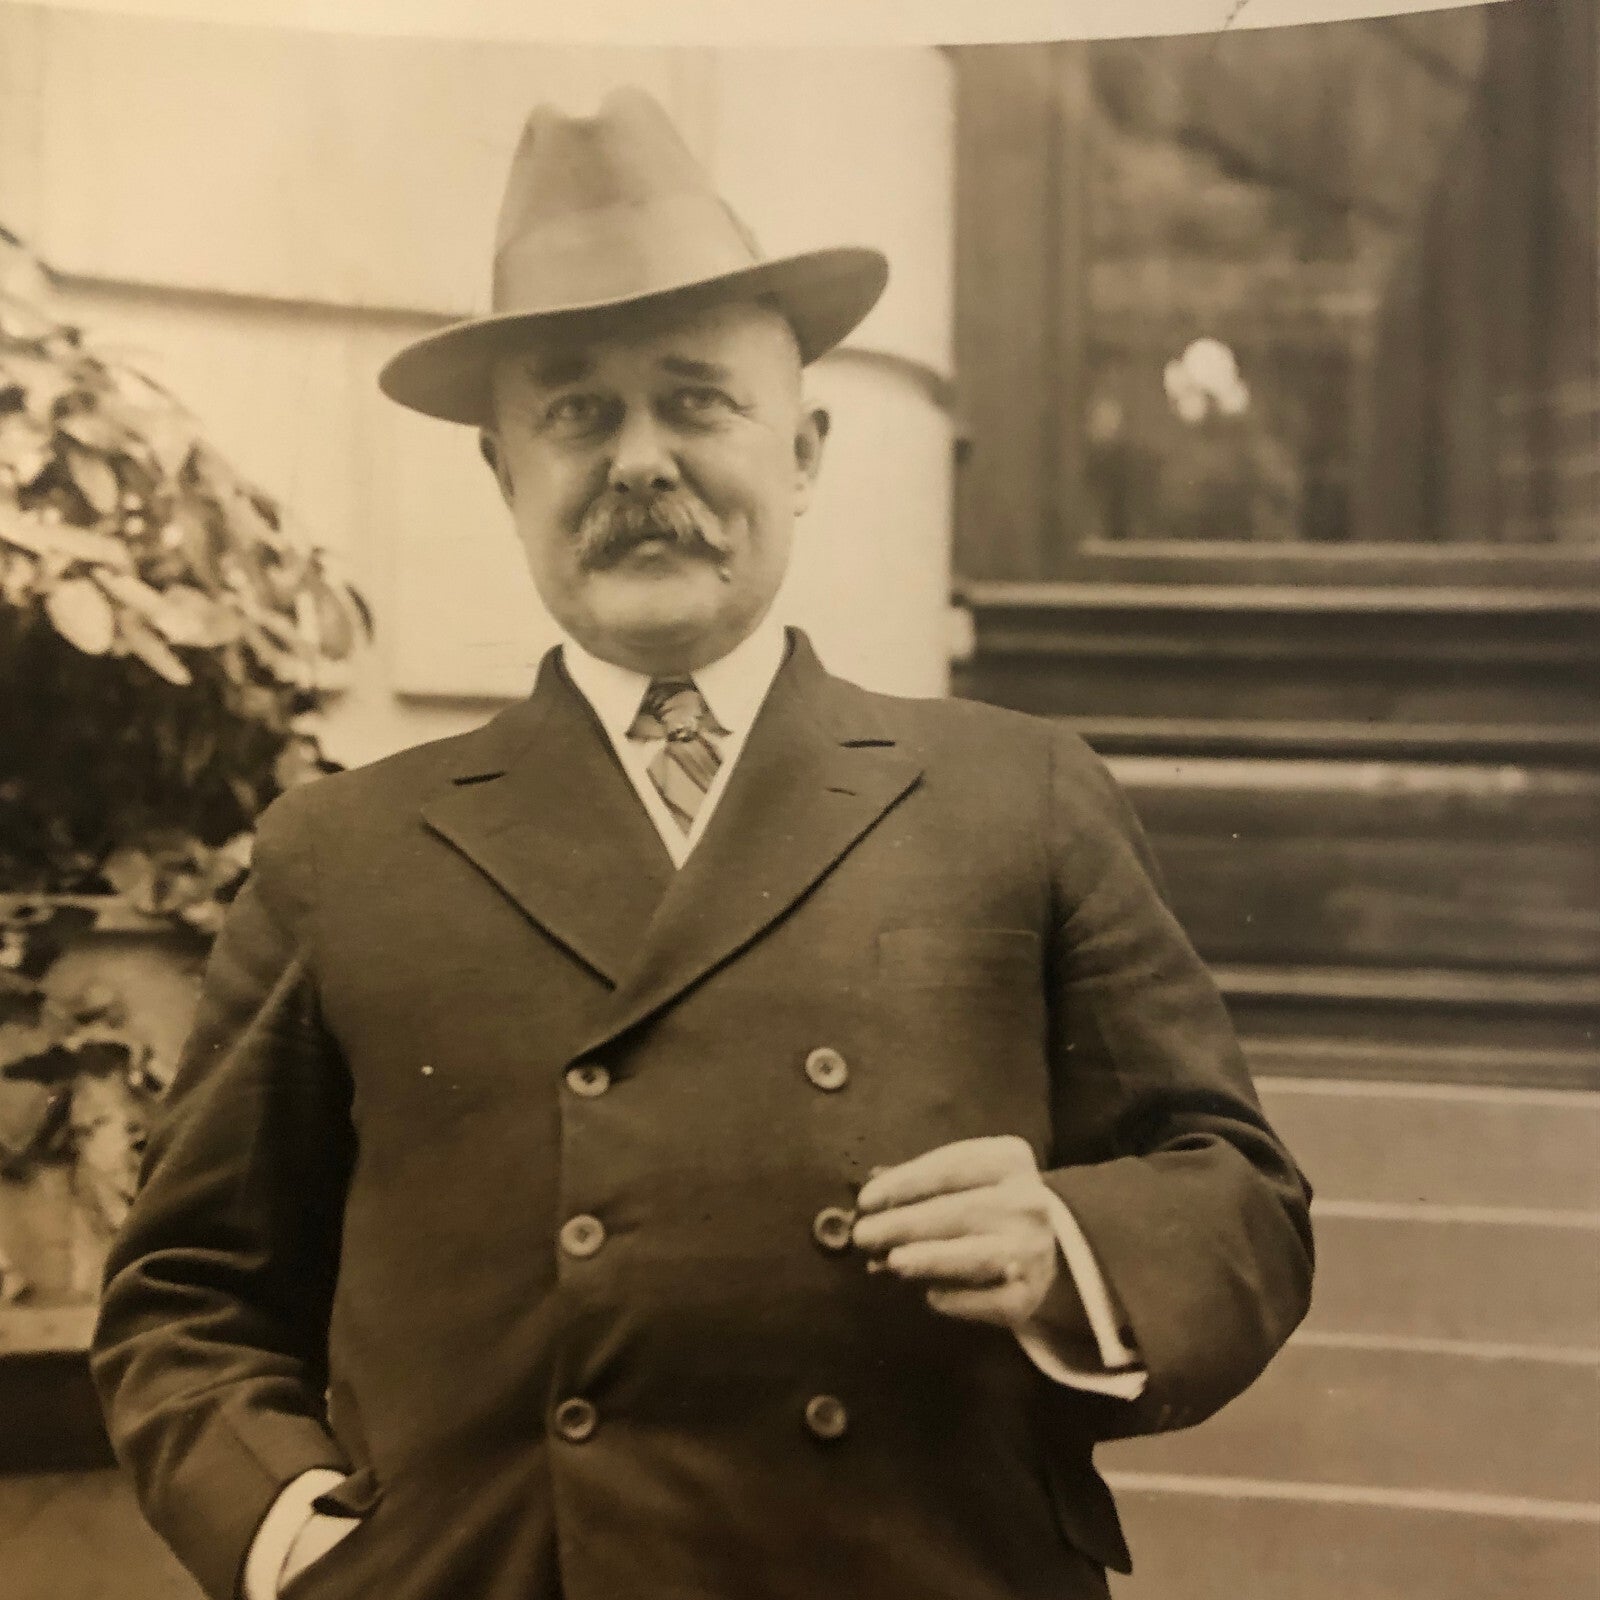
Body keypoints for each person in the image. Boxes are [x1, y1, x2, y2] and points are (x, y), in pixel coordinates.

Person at [91, 88, 1313, 1600]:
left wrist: (1073, 1244)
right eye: (578, 415)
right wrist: (296, 1544)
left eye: (696, 400)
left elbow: (1239, 1193)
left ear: (801, 449)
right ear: (504, 477)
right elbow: (186, 1297)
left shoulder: (1019, 789)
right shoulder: (344, 850)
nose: (640, 462)